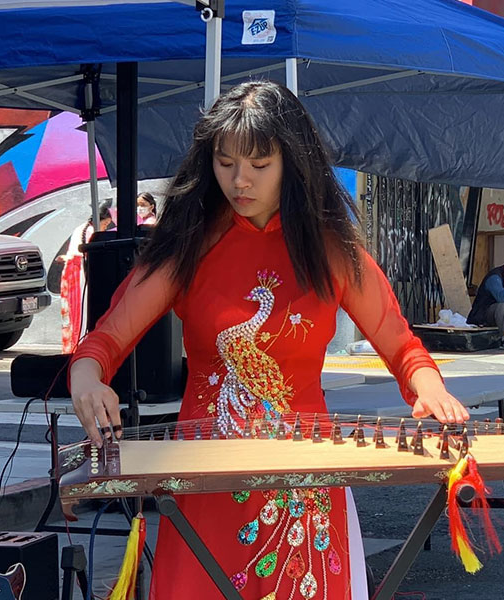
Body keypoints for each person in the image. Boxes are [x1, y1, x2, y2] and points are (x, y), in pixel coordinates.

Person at [68, 80, 469, 600]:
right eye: (225, 162)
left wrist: (427, 385)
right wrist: (87, 376)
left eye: (260, 165)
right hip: (207, 474)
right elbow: (107, 338)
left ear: (293, 163)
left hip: (304, 476)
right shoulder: (188, 248)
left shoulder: (331, 251)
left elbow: (401, 345)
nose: (240, 180)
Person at [59, 199, 115, 353]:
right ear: (105, 221)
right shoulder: (91, 233)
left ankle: (73, 344)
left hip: (71, 271)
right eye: (106, 224)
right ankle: (78, 345)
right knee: (80, 310)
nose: (105, 227)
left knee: (72, 311)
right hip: (78, 273)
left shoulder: (81, 228)